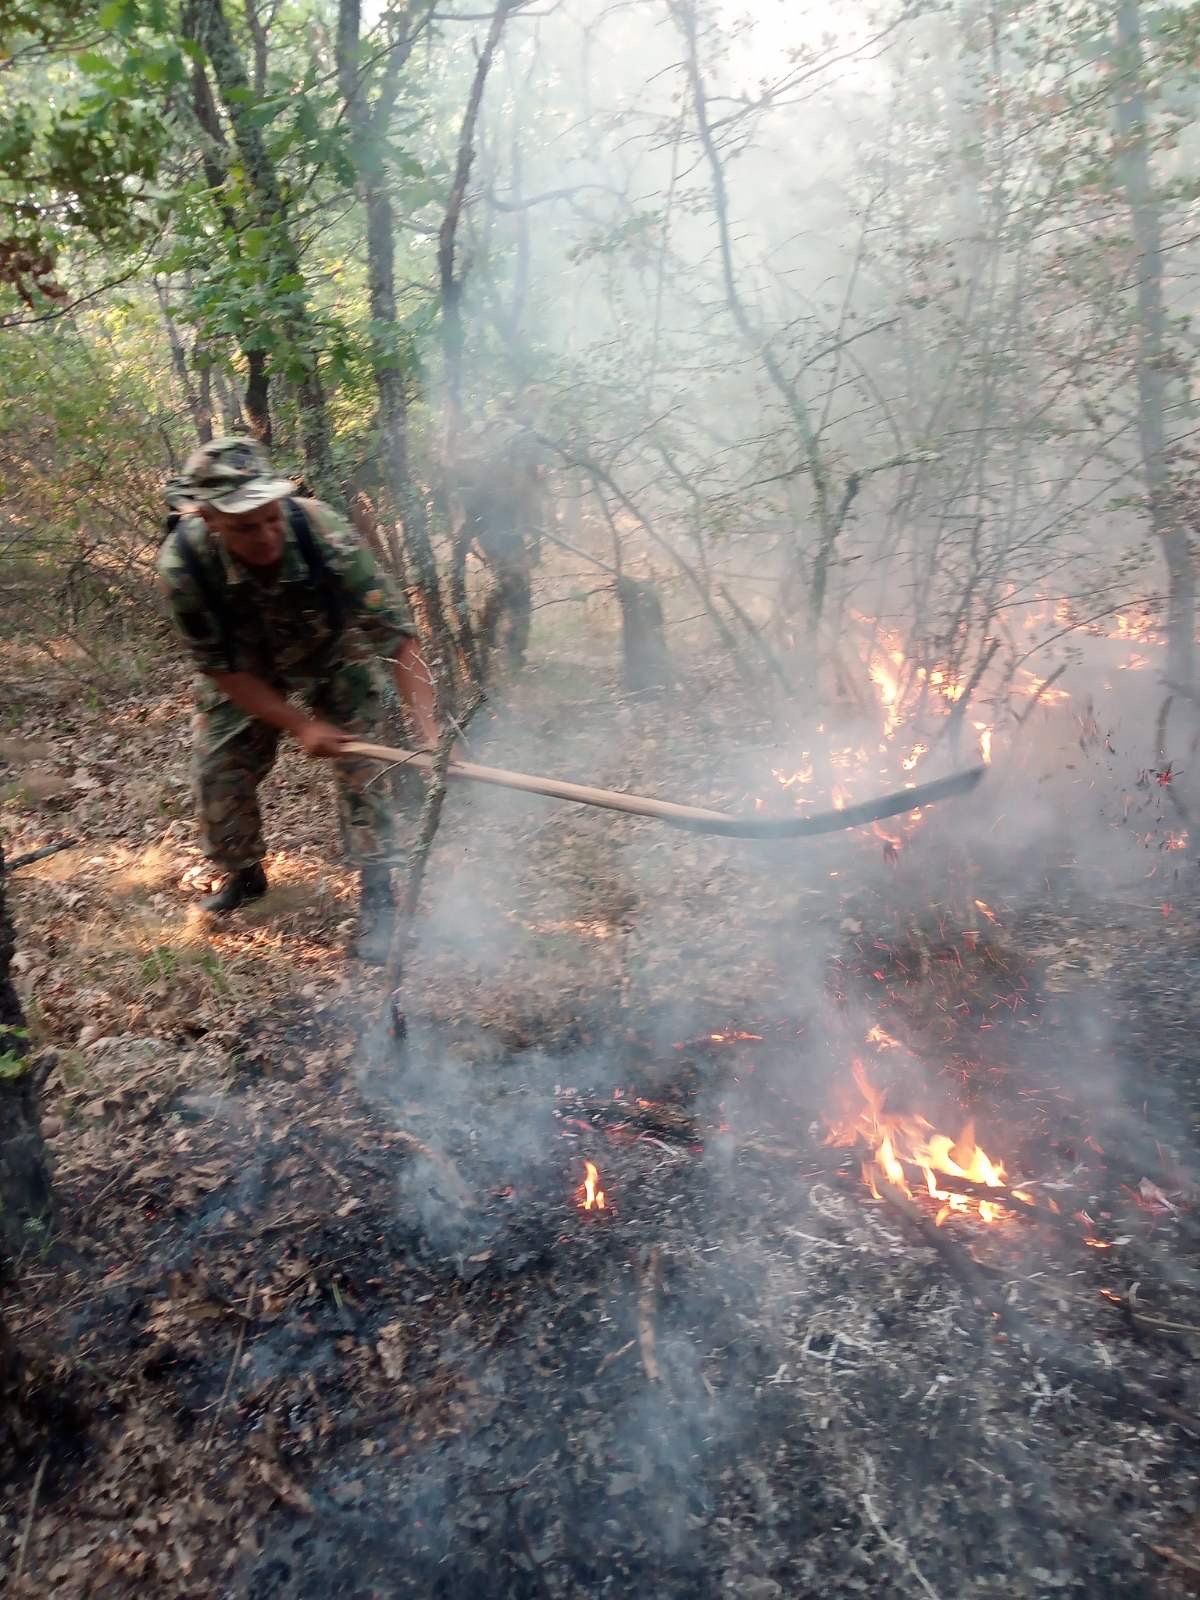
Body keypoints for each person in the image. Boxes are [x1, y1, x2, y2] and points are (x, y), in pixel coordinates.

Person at [157, 436, 440, 961]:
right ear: (209, 520)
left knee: (363, 768)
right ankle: (244, 874)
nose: (265, 534)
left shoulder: (325, 533)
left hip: (330, 648)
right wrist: (298, 723)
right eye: (244, 526)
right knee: (218, 770)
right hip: (245, 664)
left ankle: (378, 894)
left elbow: (399, 637)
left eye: (270, 517)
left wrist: (431, 734)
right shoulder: (184, 565)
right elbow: (220, 669)